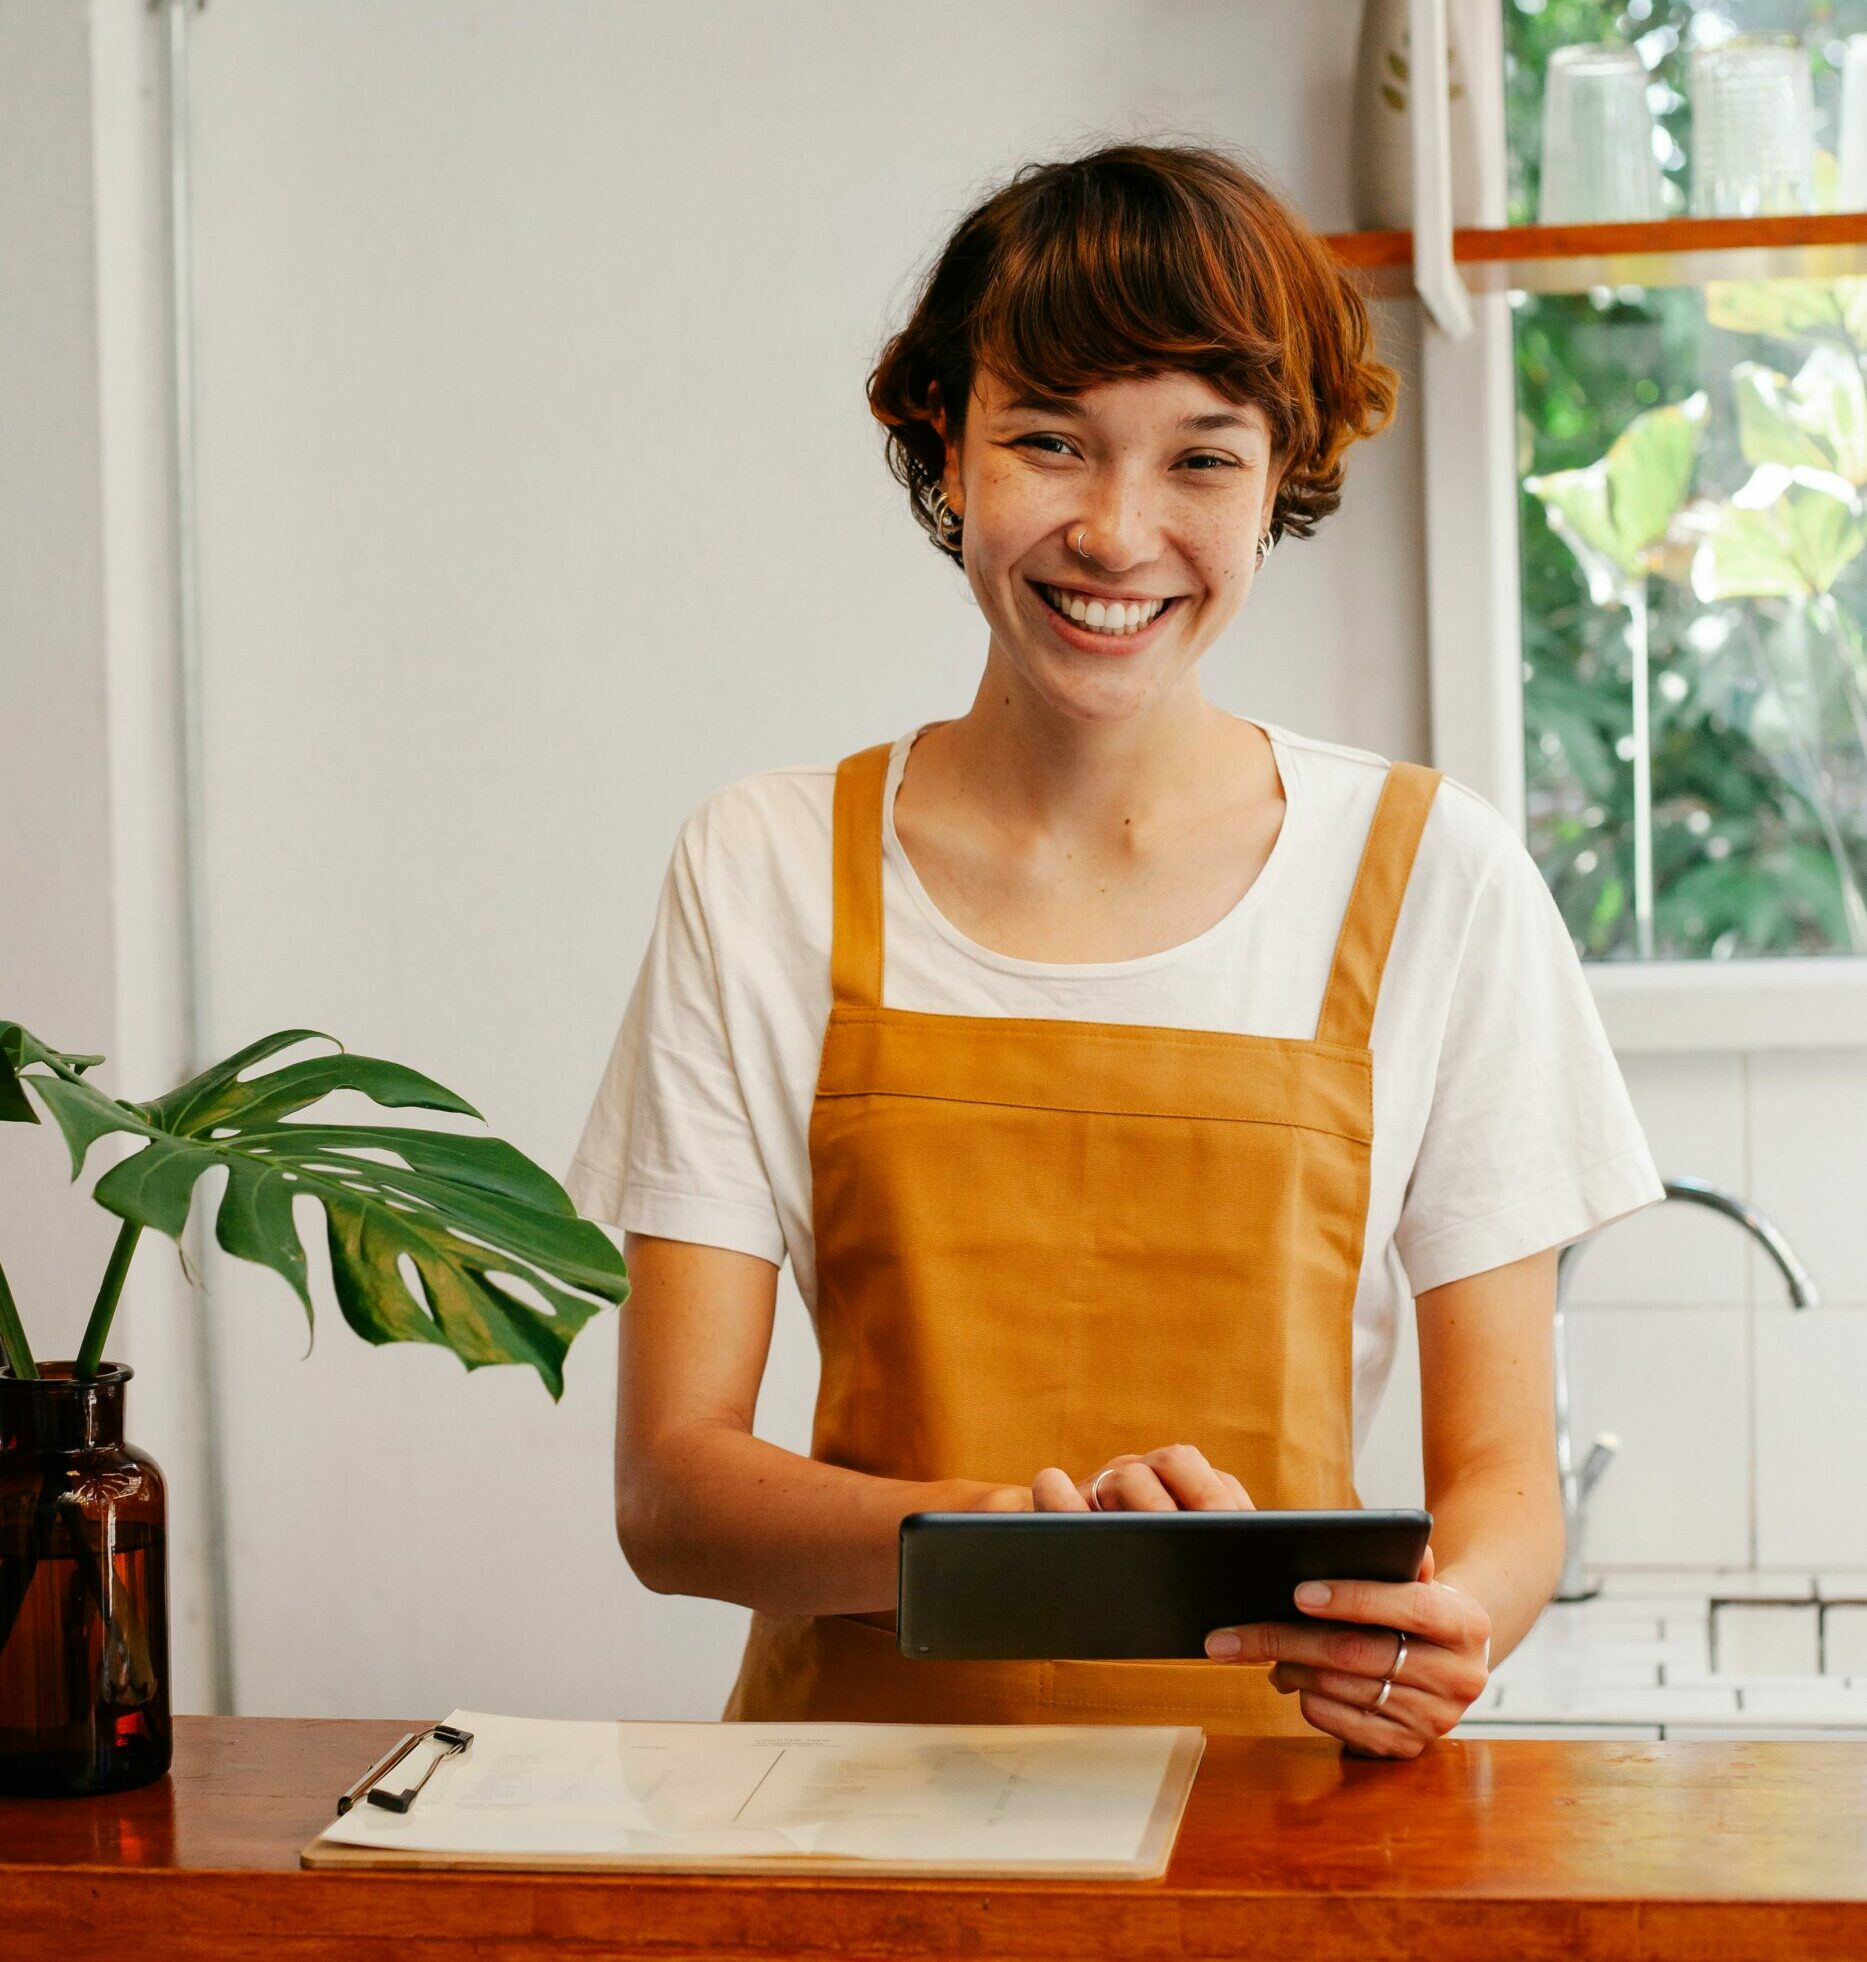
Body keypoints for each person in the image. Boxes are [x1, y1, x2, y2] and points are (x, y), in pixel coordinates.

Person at [566, 141, 1664, 1757]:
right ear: (947, 441)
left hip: (1273, 1833)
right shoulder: (767, 867)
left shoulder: (1436, 878)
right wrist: (1018, 1546)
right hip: (846, 1832)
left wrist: (1452, 1621)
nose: (1115, 530)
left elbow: (1502, 1487)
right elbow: (671, 1490)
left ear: (1284, 469)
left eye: (1200, 460)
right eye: (1049, 441)